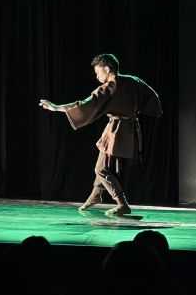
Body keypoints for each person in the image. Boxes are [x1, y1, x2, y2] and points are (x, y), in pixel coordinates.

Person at [40, 54, 161, 216]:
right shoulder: (132, 81)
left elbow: (83, 105)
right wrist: (137, 110)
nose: (97, 76)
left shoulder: (109, 87)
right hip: (128, 128)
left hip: (118, 131)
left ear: (107, 68)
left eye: (98, 72)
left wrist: (56, 108)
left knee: (102, 169)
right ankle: (95, 196)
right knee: (102, 164)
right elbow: (153, 98)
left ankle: (121, 203)